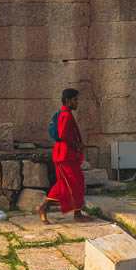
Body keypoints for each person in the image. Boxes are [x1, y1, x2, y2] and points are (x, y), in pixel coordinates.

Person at [37, 88, 94, 223]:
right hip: (65, 155)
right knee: (74, 183)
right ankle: (73, 213)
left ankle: (49, 208)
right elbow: (63, 136)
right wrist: (77, 145)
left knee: (71, 184)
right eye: (75, 100)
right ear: (68, 101)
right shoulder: (66, 115)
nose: (77, 103)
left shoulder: (64, 113)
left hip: (65, 154)